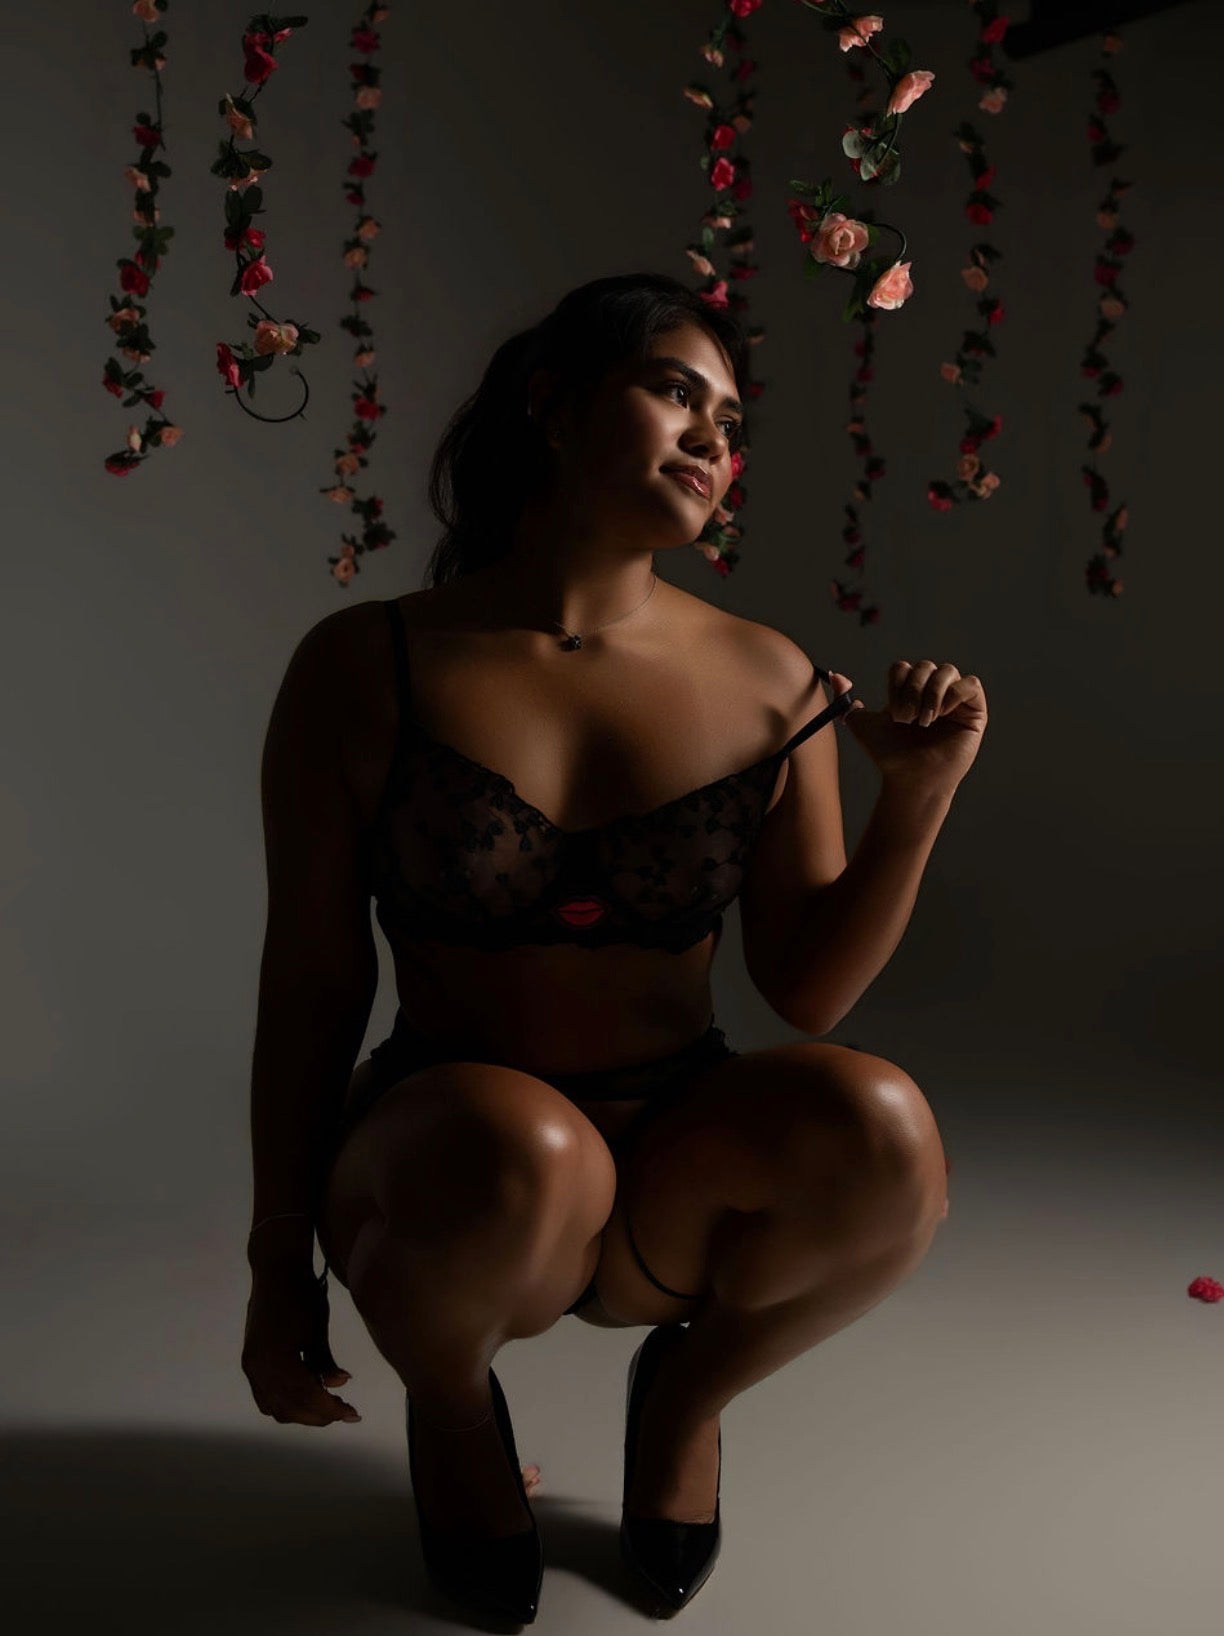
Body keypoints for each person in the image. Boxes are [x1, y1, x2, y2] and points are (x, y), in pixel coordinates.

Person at [241, 272, 954, 1620]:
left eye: (730, 422)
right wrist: (279, 1265)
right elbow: (315, 981)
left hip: (669, 1175)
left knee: (884, 1126)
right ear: (554, 405)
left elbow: (809, 992)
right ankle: (455, 1411)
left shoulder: (773, 679)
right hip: (453, 1175)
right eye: (676, 392)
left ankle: (685, 1396)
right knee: (522, 1148)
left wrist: (914, 802)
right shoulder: (367, 665)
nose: (711, 439)